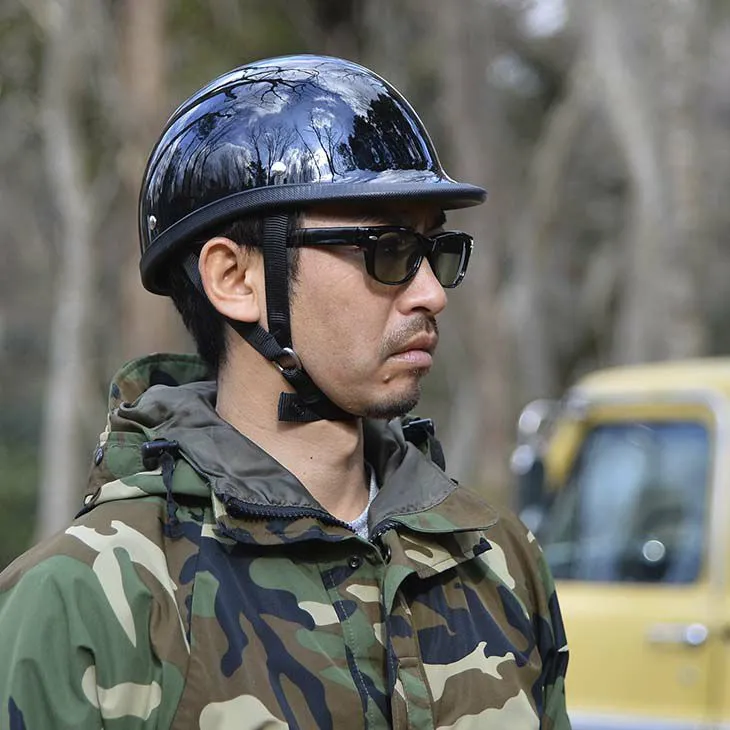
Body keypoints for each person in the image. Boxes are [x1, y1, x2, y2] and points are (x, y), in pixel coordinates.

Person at [0, 54, 570, 729]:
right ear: (235, 279)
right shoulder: (87, 599)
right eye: (388, 249)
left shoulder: (497, 560)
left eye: (435, 251)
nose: (431, 293)